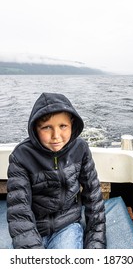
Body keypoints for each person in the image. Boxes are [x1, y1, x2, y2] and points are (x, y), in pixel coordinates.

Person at [7, 92, 106, 249]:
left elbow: (93, 197)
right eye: (47, 127)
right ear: (35, 128)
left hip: (67, 225)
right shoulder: (21, 157)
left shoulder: (81, 149)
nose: (56, 136)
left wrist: (95, 242)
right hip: (34, 227)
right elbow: (19, 209)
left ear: (72, 124)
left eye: (63, 126)